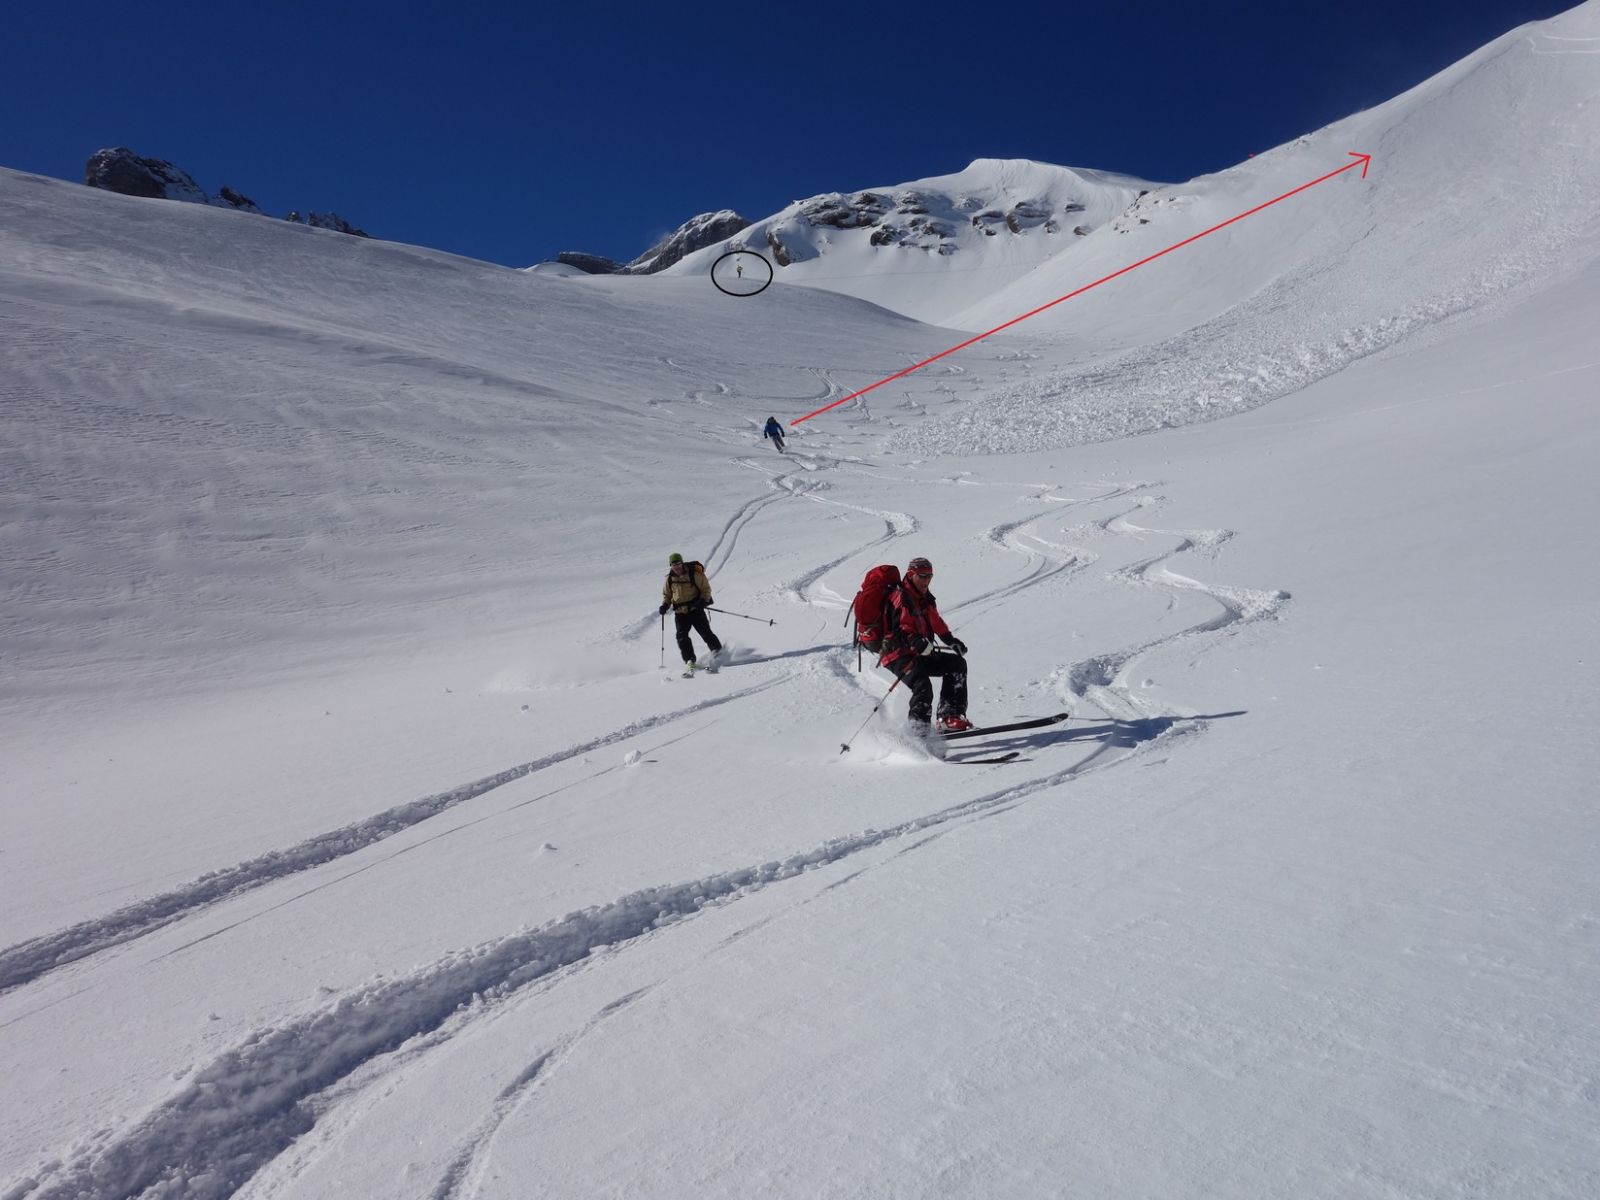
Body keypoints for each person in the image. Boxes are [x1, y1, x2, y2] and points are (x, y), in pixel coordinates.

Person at [880, 556, 972, 732]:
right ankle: (918, 732)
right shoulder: (900, 596)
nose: (927, 580)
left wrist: (951, 641)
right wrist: (915, 641)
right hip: (896, 654)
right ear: (911, 574)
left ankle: (949, 717)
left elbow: (935, 620)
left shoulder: (924, 597)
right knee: (922, 686)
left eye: (930, 576)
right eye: (922, 575)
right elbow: (900, 628)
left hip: (919, 652)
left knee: (957, 664)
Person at [659, 552, 722, 670]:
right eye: (673, 564)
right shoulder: (669, 579)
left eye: (678, 563)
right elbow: (667, 595)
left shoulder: (694, 574)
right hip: (680, 612)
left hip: (695, 609)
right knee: (681, 637)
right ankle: (690, 660)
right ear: (670, 565)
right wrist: (665, 605)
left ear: (682, 563)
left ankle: (719, 654)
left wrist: (702, 601)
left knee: (706, 633)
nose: (676, 566)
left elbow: (706, 589)